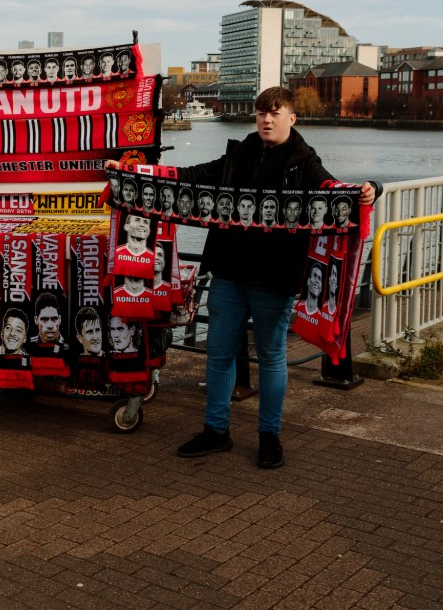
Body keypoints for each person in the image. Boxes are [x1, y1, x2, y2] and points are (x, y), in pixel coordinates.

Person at [111, 86, 379, 470]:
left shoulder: (304, 161)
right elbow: (191, 176)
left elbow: (334, 191)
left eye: (274, 113)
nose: (266, 120)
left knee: (271, 357)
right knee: (219, 355)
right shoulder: (240, 152)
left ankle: (269, 436)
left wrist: (372, 190)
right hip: (230, 272)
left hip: (274, 277)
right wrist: (137, 174)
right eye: (260, 114)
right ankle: (216, 430)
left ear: (292, 118)